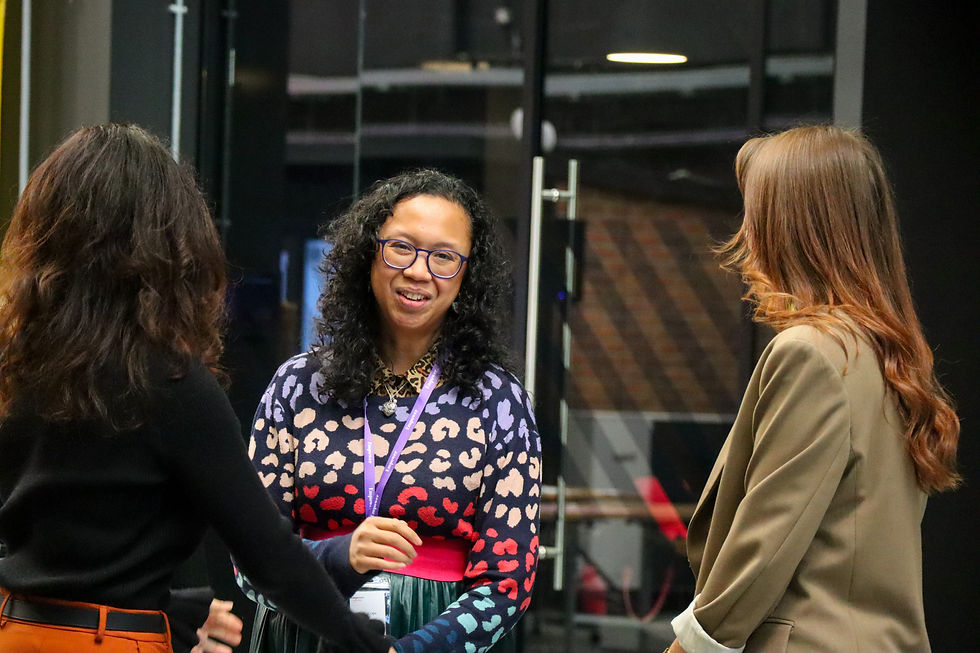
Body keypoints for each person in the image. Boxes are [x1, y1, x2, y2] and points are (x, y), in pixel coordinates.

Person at [0, 124, 395, 653]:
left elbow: (65, 551)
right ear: (169, 245)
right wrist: (364, 642)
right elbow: (267, 552)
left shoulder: (15, 363)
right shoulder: (169, 381)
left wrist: (170, 610)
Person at [666, 125, 960, 653]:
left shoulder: (813, 352)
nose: (747, 233)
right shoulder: (885, 352)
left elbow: (766, 541)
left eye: (757, 214)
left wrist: (689, 647)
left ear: (790, 227)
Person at [236, 169, 541, 653]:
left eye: (444, 257)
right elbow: (248, 555)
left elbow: (507, 583)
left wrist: (411, 651)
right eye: (401, 248)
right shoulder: (298, 385)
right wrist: (339, 556)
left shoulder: (498, 402)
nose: (418, 271)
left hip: (436, 637)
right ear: (368, 254)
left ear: (468, 276)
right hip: (302, 631)